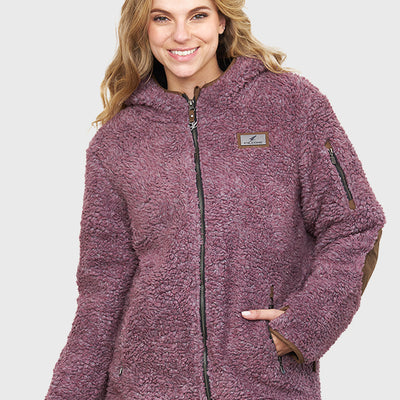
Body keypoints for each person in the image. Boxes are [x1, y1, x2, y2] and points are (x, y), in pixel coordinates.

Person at [45, 0, 385, 399]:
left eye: (198, 15)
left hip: (263, 385)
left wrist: (302, 326)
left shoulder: (291, 106)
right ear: (143, 27)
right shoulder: (117, 140)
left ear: (222, 20)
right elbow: (102, 293)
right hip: (141, 386)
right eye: (162, 18)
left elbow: (355, 226)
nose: (181, 35)